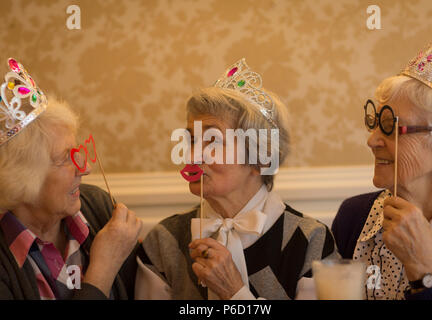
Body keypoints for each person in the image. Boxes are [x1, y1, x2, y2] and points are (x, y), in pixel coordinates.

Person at [135, 58, 337, 300]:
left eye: (213, 141)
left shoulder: (311, 241)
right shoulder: (163, 240)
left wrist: (235, 294)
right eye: (191, 140)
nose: (192, 155)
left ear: (261, 157)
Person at [0, 58, 142, 299]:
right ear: (22, 176)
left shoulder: (97, 205)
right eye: (66, 158)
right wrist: (102, 269)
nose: (85, 168)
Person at [332, 41, 432, 300]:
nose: (372, 141)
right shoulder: (354, 218)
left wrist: (427, 273)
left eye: (392, 127)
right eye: (374, 123)